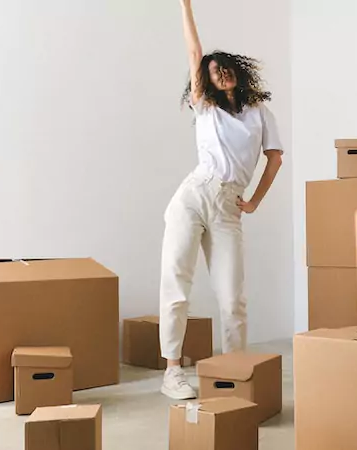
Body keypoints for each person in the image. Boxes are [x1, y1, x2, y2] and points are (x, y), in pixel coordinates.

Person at [158, 0, 284, 400]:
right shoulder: (206, 107)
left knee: (233, 297)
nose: (220, 72)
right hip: (195, 195)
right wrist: (185, 5)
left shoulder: (259, 112)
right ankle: (173, 371)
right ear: (206, 82)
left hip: (230, 205)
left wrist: (256, 201)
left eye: (225, 66)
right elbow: (194, 52)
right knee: (177, 283)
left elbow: (275, 158)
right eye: (213, 71)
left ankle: (234, 372)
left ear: (237, 71)